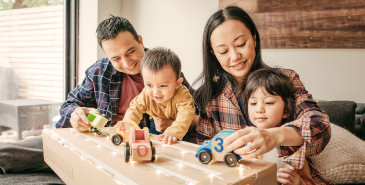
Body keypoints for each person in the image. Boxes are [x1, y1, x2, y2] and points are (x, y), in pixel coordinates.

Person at [193, 6, 331, 184]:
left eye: (241, 44)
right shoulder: (210, 96)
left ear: (254, 40)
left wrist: (273, 136)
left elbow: (321, 126)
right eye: (224, 51)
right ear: (214, 55)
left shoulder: (285, 80)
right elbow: (204, 148)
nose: (235, 56)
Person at [56, 16, 195, 140]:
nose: (127, 63)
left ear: (140, 41)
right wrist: (77, 115)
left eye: (130, 51)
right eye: (116, 58)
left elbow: (200, 116)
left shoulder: (164, 69)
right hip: (104, 140)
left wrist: (174, 126)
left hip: (144, 146)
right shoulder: (99, 71)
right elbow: (68, 105)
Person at [242, 68, 332, 184]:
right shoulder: (244, 137)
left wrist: (298, 183)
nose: (259, 109)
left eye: (269, 102)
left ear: (286, 111)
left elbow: (307, 180)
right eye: (253, 103)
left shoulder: (291, 145)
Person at [122, 47, 195, 144]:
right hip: (155, 125)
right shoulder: (146, 95)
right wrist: (128, 123)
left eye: (163, 86)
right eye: (149, 85)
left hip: (181, 129)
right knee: (153, 144)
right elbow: (134, 108)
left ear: (177, 83)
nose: (156, 92)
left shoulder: (182, 94)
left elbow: (186, 114)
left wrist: (173, 132)